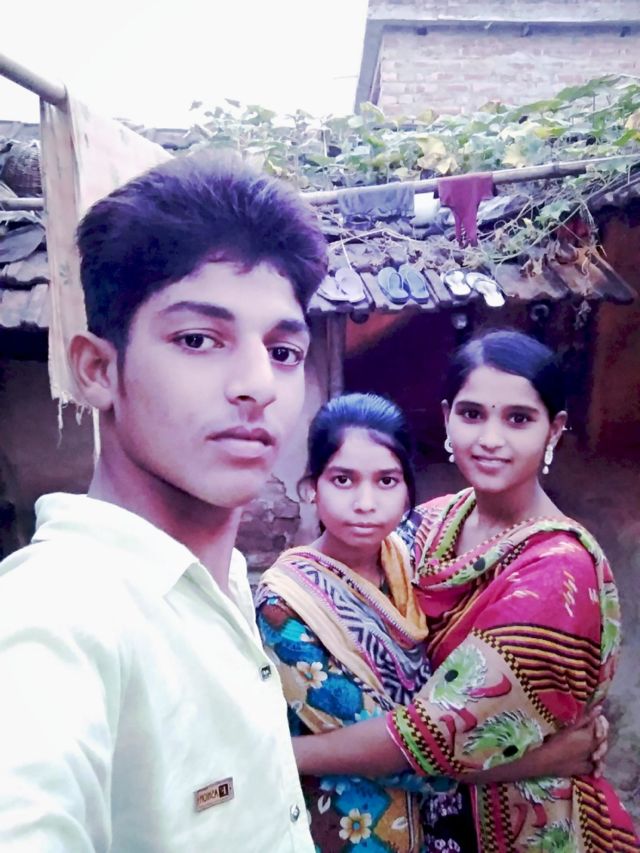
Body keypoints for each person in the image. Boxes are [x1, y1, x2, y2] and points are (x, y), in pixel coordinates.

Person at [0, 154, 328, 851]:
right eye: (198, 339)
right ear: (98, 369)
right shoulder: (51, 617)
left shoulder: (222, 580)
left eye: (284, 351)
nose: (258, 384)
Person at [292, 334, 638, 852]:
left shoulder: (557, 573)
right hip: (425, 820)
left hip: (527, 827)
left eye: (519, 418)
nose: (490, 439)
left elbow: (437, 738)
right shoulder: (435, 521)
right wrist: (553, 753)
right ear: (447, 417)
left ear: (554, 429)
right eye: (472, 414)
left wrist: (284, 754)